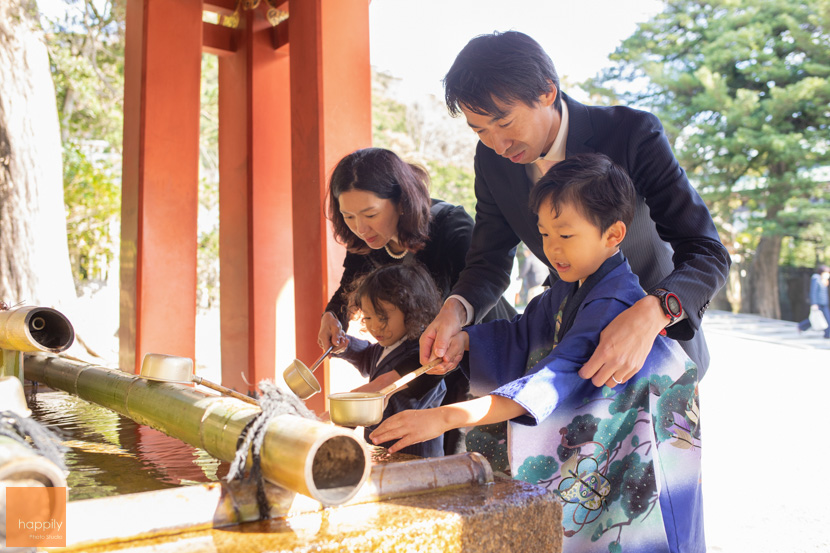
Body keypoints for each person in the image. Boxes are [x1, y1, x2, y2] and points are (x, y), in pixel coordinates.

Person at [371, 154, 704, 553]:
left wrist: (444, 417)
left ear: (614, 235)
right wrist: (467, 341)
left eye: (565, 235)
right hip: (607, 437)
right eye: (545, 234)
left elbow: (557, 375)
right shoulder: (571, 282)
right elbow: (523, 331)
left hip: (643, 433)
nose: (552, 249)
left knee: (639, 525)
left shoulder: (613, 299)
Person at [421, 31, 730, 387]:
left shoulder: (631, 133)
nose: (497, 144)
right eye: (480, 131)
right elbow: (488, 260)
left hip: (658, 352)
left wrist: (652, 312)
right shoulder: (492, 161)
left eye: (505, 122)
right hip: (569, 356)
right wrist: (454, 311)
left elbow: (708, 251)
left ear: (547, 92)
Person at [320, 147, 515, 455]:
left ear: (401, 201)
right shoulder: (366, 239)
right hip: (427, 362)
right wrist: (333, 316)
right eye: (348, 216)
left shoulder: (451, 227)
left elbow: (485, 281)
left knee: (467, 453)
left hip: (479, 354)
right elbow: (348, 288)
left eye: (370, 214)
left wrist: (378, 387)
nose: (360, 228)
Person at [333, 263, 446, 458]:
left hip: (417, 456)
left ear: (412, 311)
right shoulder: (387, 345)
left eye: (383, 318)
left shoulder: (423, 356)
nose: (375, 327)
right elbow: (368, 355)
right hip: (383, 450)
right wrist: (345, 345)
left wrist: (347, 414)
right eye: (368, 317)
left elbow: (395, 398)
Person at [797, 265, 830, 338]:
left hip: (824, 303)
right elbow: (813, 292)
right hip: (818, 303)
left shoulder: (823, 280)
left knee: (817, 318)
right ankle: (827, 335)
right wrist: (814, 303)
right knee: (823, 318)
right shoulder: (816, 278)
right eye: (826, 272)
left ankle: (801, 326)